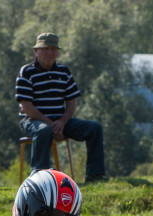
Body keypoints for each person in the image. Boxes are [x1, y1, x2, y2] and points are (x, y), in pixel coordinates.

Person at [16, 32, 106, 183]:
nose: (50, 53)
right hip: (33, 121)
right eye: (45, 49)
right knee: (43, 130)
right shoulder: (27, 72)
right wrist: (52, 125)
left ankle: (95, 175)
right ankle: (39, 179)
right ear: (36, 51)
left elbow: (71, 103)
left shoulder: (63, 72)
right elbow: (27, 108)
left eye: (53, 49)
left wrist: (61, 123)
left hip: (60, 121)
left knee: (94, 128)